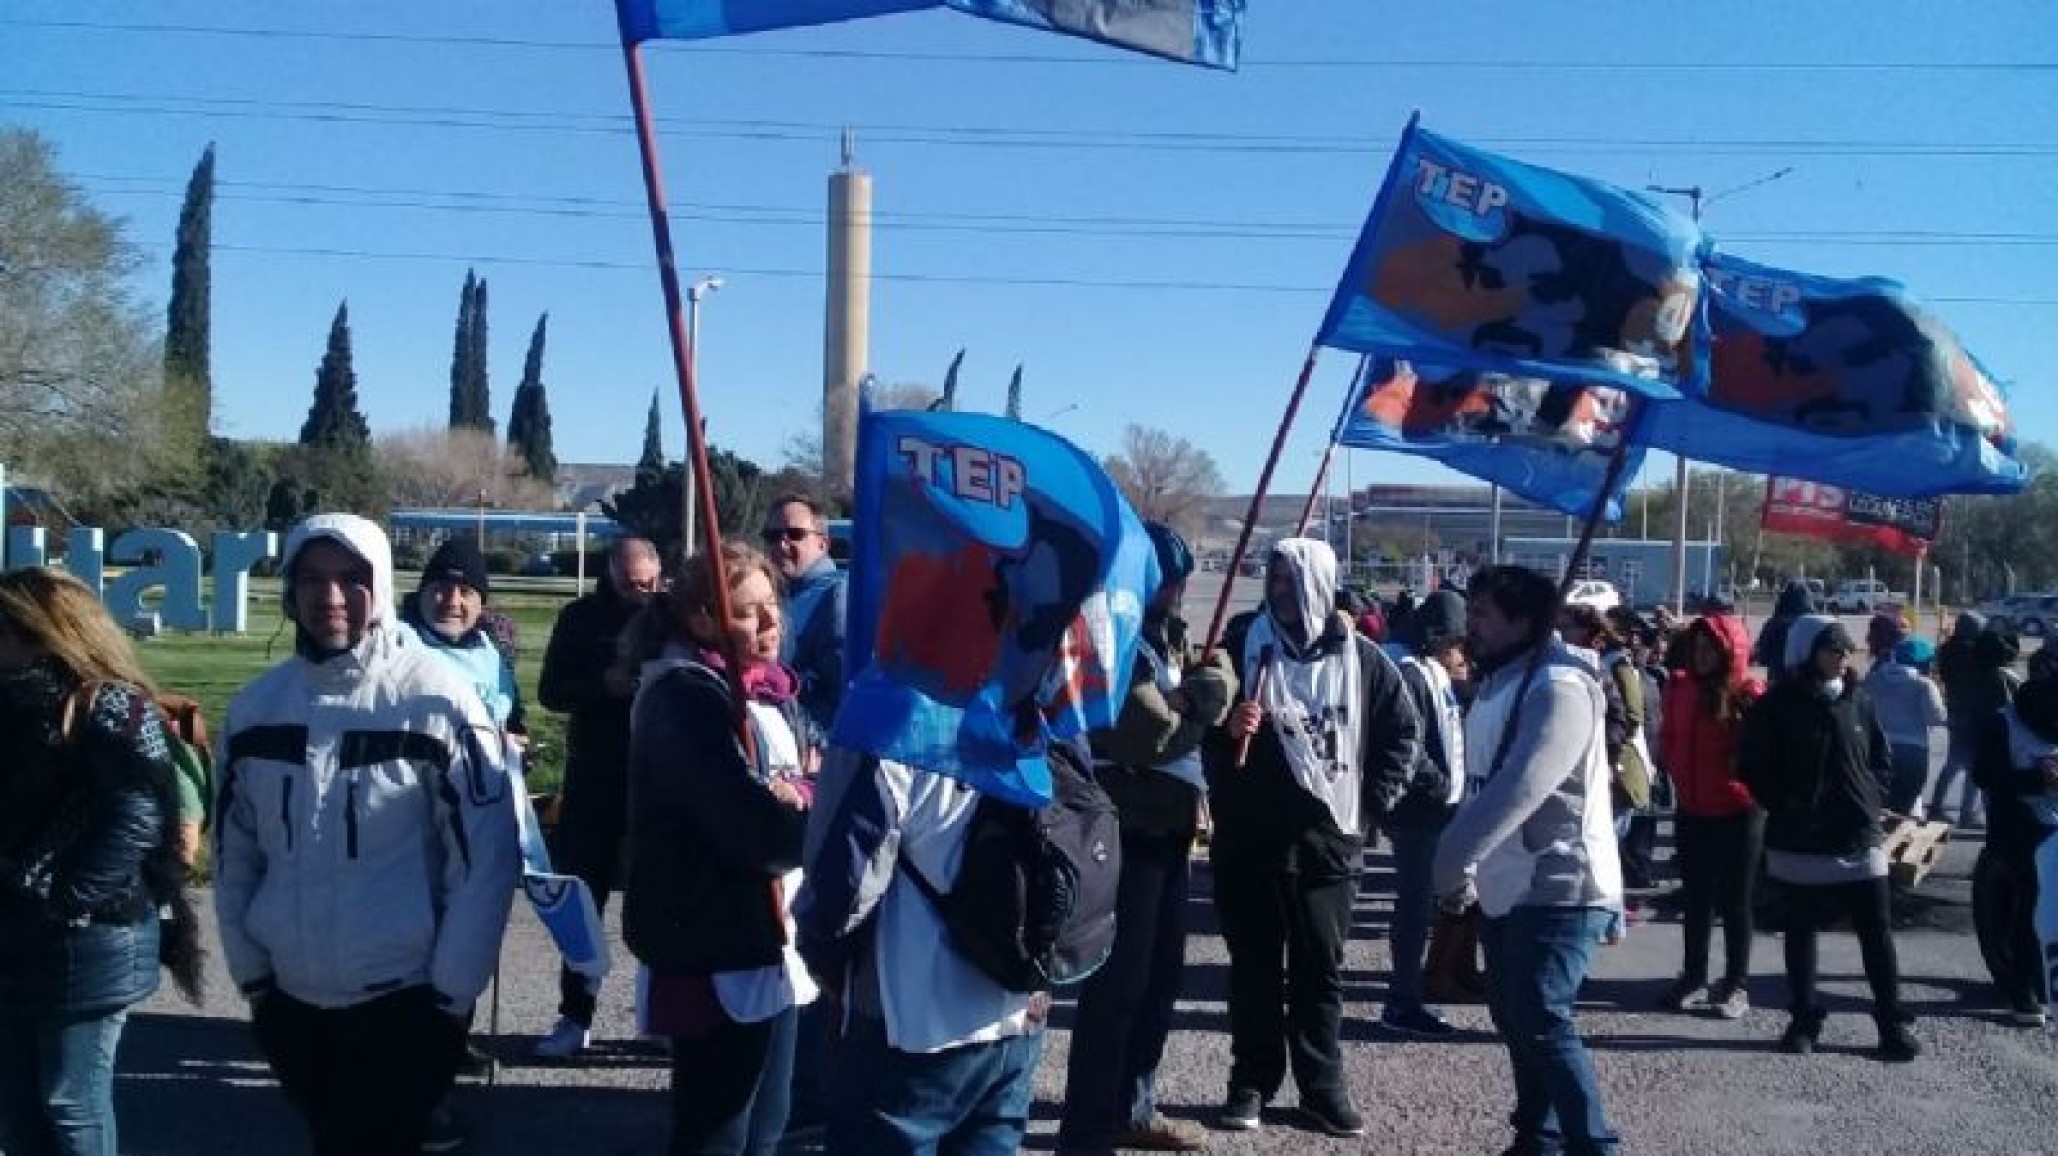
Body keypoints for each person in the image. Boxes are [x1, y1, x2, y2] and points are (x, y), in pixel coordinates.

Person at [214, 514, 520, 1155]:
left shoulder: (438, 702)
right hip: (291, 1000)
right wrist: (253, 976)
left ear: (380, 585)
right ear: (289, 589)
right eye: (312, 579)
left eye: (351, 579)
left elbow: (484, 861)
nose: (330, 597)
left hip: (404, 1000)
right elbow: (233, 856)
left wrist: (451, 994)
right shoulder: (255, 711)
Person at [1203, 538, 1420, 1138]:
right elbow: (1197, 722)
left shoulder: (1365, 659)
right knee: (1253, 971)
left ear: (1319, 585)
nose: (1281, 591)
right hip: (1249, 842)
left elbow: (1404, 733)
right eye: (1273, 578)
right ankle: (1250, 1081)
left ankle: (1322, 1087)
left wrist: (1373, 804)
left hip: (1329, 847)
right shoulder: (1240, 648)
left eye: (1292, 580)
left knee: (1319, 973)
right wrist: (1227, 726)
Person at [623, 542, 819, 1156]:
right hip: (715, 939)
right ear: (704, 619)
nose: (769, 622)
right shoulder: (685, 697)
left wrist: (801, 796)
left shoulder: (772, 693)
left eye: (772, 606)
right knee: (718, 1130)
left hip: (774, 937)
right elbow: (750, 828)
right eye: (747, 611)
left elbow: (818, 773)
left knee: (768, 1128)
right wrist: (796, 812)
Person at [0, 567, 203, 1156]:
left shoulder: (107, 704)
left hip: (88, 934)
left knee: (70, 1099)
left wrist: (61, 898)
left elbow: (137, 815)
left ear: (39, 632)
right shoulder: (12, 706)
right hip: (19, 930)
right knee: (16, 1105)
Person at [1055, 524, 1236, 1156]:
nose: (1176, 592)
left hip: (1171, 828)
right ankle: (1087, 1130)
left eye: (1180, 581)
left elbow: (1197, 701)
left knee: (1160, 980)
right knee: (1116, 986)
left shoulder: (1170, 637)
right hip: (1122, 826)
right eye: (1167, 580)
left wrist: (1199, 693)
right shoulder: (1112, 636)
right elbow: (1146, 734)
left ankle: (1134, 1107)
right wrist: (1203, 703)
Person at [1433, 565, 1622, 1156]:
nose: (1471, 626)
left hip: (1558, 886)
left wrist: (1450, 862)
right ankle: (1537, 1141)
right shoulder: (1502, 683)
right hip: (1506, 886)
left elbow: (1519, 789)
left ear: (1523, 621)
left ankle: (1593, 1146)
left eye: (1483, 614)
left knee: (1542, 1017)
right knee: (1516, 1019)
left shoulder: (1559, 688)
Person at [1739, 615, 1919, 1061]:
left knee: (1876, 930)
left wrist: (1872, 798)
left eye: (1845, 650)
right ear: (1807, 653)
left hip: (1859, 836)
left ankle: (1891, 1023)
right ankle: (1803, 1019)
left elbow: (1880, 758)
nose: (1842, 658)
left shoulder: (1858, 699)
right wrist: (1785, 804)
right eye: (1831, 649)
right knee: (1801, 931)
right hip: (1800, 840)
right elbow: (1752, 764)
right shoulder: (1779, 703)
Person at [533, 536, 662, 1059]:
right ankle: (575, 1014)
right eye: (632, 584)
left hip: (653, 779)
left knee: (657, 902)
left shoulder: (668, 617)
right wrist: (602, 685)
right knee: (584, 900)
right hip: (593, 778)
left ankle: (658, 1015)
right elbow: (550, 691)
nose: (642, 593)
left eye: (650, 584)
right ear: (610, 573)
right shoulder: (579, 618)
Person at [1370, 589, 1469, 1037]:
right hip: (1418, 809)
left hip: (1428, 806)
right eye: (1456, 643)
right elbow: (1408, 742)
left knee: (1420, 905)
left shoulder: (1423, 668)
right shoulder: (1411, 673)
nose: (1461, 654)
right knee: (1414, 908)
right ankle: (1402, 1000)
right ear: (1436, 638)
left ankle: (1408, 993)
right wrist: (1442, 785)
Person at [1657, 614, 1765, 1019]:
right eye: (1697, 648)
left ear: (1729, 652)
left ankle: (1736, 983)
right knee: (1696, 899)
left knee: (1736, 902)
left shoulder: (1748, 692)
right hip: (1692, 808)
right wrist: (1671, 766)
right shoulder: (1679, 687)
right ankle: (1693, 976)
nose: (1702, 656)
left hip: (1739, 811)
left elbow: (1762, 752)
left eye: (1711, 649)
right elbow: (1669, 736)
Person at [1971, 657, 2058, 1026]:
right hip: (2019, 828)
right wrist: (2038, 780)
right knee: (2032, 906)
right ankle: (2023, 990)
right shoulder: (2006, 722)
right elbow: (1983, 775)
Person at [1558, 606, 1653, 892]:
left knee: (1604, 846)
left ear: (1589, 632)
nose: (1560, 635)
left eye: (1567, 628)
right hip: (1592, 768)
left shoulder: (1614, 666)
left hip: (1617, 770)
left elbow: (1631, 717)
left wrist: (1606, 753)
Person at [400, 538, 525, 735]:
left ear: (480, 605)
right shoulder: (394, 645)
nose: (452, 602)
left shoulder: (494, 651)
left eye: (465, 592)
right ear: (421, 595)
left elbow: (513, 724)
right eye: (441, 589)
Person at [761, 494, 846, 733]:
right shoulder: (777, 595)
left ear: (823, 544)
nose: (782, 545)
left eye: (795, 534)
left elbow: (843, 692)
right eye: (773, 536)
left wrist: (815, 742)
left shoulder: (838, 595)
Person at [1933, 613, 2020, 829]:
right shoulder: (1973, 653)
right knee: (1974, 766)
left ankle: (1936, 805)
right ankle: (1967, 813)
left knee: (1953, 763)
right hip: (1975, 715)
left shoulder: (1947, 650)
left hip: (1955, 710)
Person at [1865, 637, 1948, 817]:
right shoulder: (1923, 684)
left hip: (1877, 748)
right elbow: (1935, 718)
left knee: (1878, 804)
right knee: (1904, 807)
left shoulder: (1873, 679)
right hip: (1913, 751)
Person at [1752, 580, 1818, 685]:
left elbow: (1762, 656)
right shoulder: (1815, 625)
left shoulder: (1774, 624)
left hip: (1777, 681)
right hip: (1810, 683)